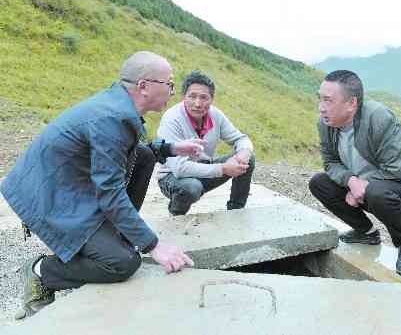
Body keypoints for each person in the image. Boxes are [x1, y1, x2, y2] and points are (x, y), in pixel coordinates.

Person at [0, 51, 204, 319]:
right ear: (143, 86)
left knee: (143, 155)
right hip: (48, 195)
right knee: (123, 263)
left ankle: (115, 234)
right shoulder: (111, 119)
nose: (172, 91)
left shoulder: (117, 106)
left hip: (65, 183)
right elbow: (110, 193)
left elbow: (127, 151)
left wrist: (171, 148)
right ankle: (40, 271)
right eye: (169, 84)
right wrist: (153, 245)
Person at [308, 70, 401, 276]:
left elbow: (395, 168)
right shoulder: (325, 124)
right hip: (364, 188)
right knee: (318, 183)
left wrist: (362, 185)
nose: (321, 108)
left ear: (351, 103)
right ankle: (366, 233)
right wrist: (350, 181)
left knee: (375, 191)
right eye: (320, 99)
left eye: (328, 101)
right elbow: (330, 162)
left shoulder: (379, 118)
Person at [157, 70, 254, 215]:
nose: (197, 103)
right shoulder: (172, 119)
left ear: (211, 99)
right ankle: (176, 215)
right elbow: (179, 168)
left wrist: (244, 153)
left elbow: (241, 139)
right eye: (192, 96)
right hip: (172, 177)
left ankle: (236, 211)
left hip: (203, 167)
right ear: (184, 97)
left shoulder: (215, 115)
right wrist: (222, 169)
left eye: (204, 97)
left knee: (248, 160)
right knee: (191, 188)